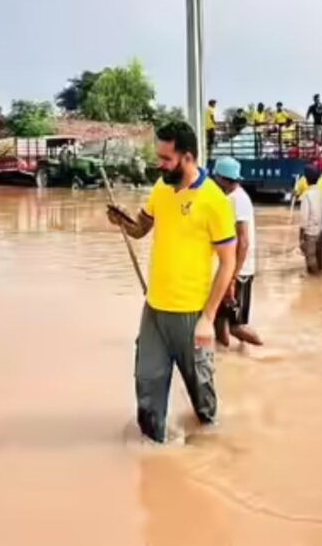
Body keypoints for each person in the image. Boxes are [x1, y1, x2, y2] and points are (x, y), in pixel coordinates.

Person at [106, 121, 237, 443]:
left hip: (191, 314)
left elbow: (228, 262)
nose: (159, 164)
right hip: (154, 309)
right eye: (159, 157)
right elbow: (141, 229)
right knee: (147, 382)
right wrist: (122, 221)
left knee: (203, 397)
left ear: (187, 157)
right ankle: (152, 452)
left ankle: (212, 449)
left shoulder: (214, 200)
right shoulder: (161, 189)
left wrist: (208, 319)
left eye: (166, 159)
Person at [211, 157, 264, 348]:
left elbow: (244, 241)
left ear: (221, 179)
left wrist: (232, 277)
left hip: (239, 272)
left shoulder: (238, 200)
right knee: (219, 321)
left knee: (236, 325)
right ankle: (227, 361)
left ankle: (269, 351)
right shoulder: (229, 198)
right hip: (228, 268)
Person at [298, 165, 322, 275]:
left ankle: (318, 280)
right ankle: (320, 282)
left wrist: (300, 237)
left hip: (310, 233)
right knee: (320, 260)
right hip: (321, 231)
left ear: (306, 179)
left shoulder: (306, 195)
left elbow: (304, 219)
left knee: (311, 261)